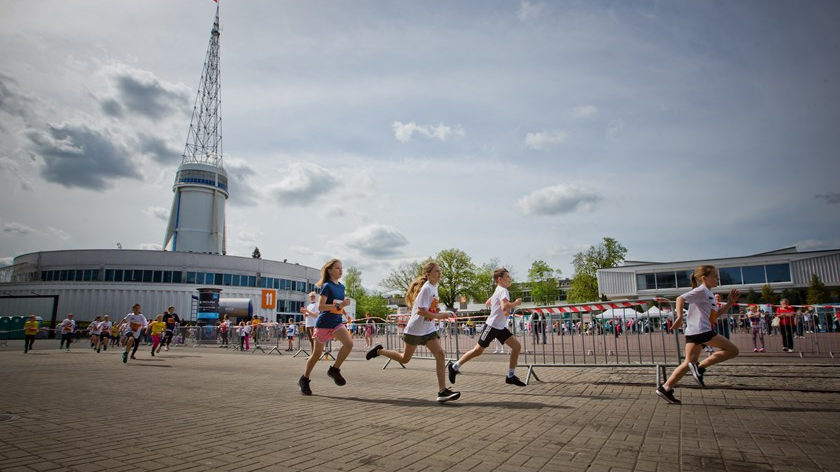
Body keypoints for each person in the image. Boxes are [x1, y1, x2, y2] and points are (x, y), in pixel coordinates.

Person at [366, 261, 460, 402]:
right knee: (405, 359)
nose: (439, 273)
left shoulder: (435, 288)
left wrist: (442, 312)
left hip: (428, 329)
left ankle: (442, 391)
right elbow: (421, 311)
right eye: (436, 271)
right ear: (428, 275)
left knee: (440, 354)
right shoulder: (427, 288)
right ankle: (379, 351)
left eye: (440, 271)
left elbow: (431, 309)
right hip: (415, 330)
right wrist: (439, 316)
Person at [656, 265, 740, 404]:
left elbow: (717, 314)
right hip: (702, 331)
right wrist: (679, 317)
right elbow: (679, 298)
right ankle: (700, 368)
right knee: (733, 350)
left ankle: (665, 388)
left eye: (717, 277)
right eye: (714, 276)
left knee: (688, 363)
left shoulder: (708, 293)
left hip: (695, 332)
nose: (717, 279)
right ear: (704, 278)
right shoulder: (701, 290)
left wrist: (730, 302)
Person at [447, 267, 527, 388]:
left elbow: (488, 302)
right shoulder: (503, 291)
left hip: (499, 327)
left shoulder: (499, 289)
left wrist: (494, 301)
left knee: (516, 346)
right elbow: (505, 307)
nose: (510, 279)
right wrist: (516, 303)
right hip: (492, 326)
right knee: (477, 351)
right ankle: (454, 367)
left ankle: (510, 376)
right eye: (507, 277)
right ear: (500, 279)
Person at [298, 259, 354, 396]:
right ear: (329, 271)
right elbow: (321, 306)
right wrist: (338, 306)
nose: (340, 271)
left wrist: (345, 311)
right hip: (323, 323)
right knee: (316, 355)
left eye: (341, 268)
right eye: (337, 268)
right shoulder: (327, 286)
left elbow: (338, 305)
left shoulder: (341, 287)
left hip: (336, 322)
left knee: (349, 344)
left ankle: (334, 370)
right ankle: (304, 379)